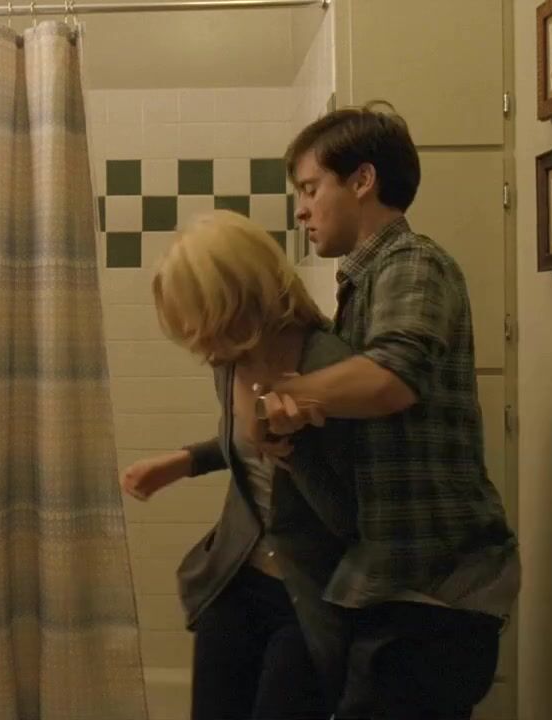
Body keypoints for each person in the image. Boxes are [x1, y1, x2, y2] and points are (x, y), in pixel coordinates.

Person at [258, 103, 521, 720]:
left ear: (363, 180)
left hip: (438, 589)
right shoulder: (361, 289)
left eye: (310, 188)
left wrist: (288, 394)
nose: (301, 210)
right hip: (393, 584)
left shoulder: (413, 263)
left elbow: (392, 379)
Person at [121, 209, 358, 720]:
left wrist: (293, 458)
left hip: (309, 591)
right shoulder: (230, 363)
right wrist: (184, 462)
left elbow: (354, 516)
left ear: (240, 300)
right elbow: (244, 442)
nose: (200, 346)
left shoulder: (329, 365)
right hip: (237, 578)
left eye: (205, 324)